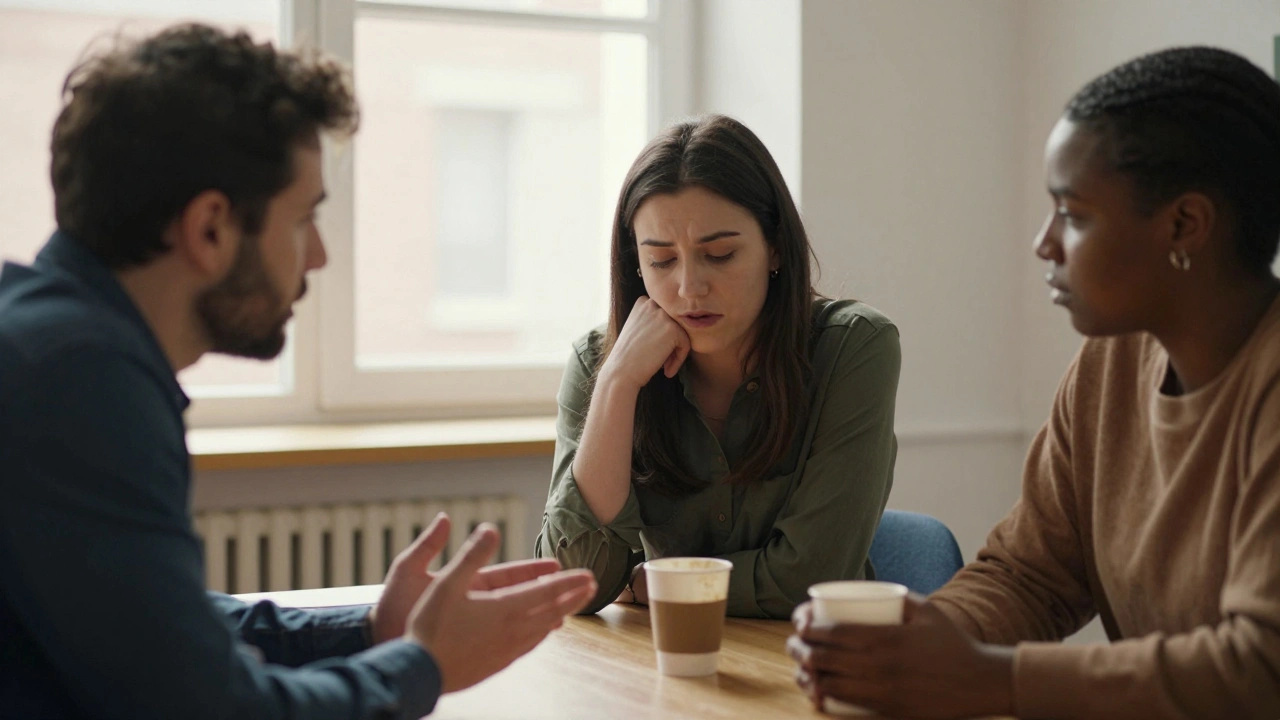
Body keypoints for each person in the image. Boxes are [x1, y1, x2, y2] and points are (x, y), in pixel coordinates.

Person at [0, 23, 596, 720]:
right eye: (303, 217)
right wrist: (421, 666)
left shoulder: (43, 336)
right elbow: (214, 708)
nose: (316, 256)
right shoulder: (81, 382)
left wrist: (370, 629)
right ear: (210, 227)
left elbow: (163, 629)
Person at [788, 45, 1280, 720]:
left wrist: (993, 679)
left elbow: (1259, 669)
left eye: (1074, 215)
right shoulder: (1109, 365)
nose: (1044, 243)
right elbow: (1030, 574)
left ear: (1184, 225)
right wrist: (907, 646)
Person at [536, 114, 900, 619]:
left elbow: (810, 578)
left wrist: (653, 583)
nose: (689, 288)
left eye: (721, 254)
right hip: (664, 668)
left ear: (774, 246)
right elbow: (573, 584)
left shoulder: (855, 348)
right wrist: (617, 385)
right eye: (662, 261)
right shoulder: (600, 362)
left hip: (810, 664)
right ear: (635, 264)